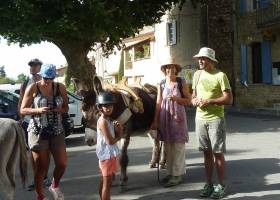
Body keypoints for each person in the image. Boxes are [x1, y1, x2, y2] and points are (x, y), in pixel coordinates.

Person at [20, 64, 68, 200]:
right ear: (42, 75)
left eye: (51, 78)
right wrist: (38, 110)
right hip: (37, 130)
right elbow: (23, 110)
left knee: (62, 163)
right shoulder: (33, 87)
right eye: (46, 78)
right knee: (41, 167)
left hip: (56, 129)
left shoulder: (60, 87)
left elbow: (66, 108)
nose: (48, 81)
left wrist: (59, 109)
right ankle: (40, 195)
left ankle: (54, 184)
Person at [192, 47, 233, 199]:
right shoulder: (196, 75)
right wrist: (194, 100)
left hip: (216, 119)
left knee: (218, 154)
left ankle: (221, 185)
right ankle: (209, 184)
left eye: (203, 58)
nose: (200, 61)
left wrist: (210, 101)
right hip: (200, 119)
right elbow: (193, 96)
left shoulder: (221, 75)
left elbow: (229, 99)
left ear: (211, 60)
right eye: (199, 58)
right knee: (206, 154)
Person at [151, 58, 191, 187]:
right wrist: (156, 120)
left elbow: (189, 100)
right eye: (167, 67)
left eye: (173, 67)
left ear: (176, 69)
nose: (170, 69)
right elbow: (158, 102)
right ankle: (170, 173)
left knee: (178, 146)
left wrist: (177, 99)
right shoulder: (161, 83)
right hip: (165, 117)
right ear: (164, 70)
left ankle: (177, 175)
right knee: (168, 146)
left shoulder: (181, 81)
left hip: (178, 117)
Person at [17, 58, 51, 191]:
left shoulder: (46, 81)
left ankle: (45, 177)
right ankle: (37, 178)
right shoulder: (25, 83)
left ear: (40, 67)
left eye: (35, 65)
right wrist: (21, 117)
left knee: (45, 151)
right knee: (33, 152)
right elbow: (20, 101)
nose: (32, 67)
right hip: (28, 121)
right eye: (31, 65)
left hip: (45, 120)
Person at [95, 91, 123, 200]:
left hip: (110, 154)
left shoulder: (109, 120)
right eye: (105, 106)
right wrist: (120, 134)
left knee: (105, 180)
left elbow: (113, 137)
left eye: (110, 105)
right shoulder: (103, 122)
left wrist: (118, 130)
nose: (109, 108)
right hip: (106, 156)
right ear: (100, 107)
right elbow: (110, 141)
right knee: (107, 184)